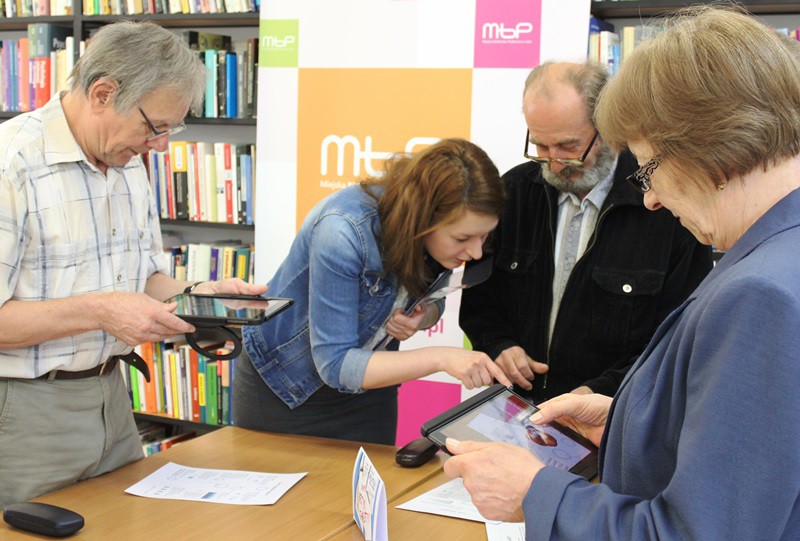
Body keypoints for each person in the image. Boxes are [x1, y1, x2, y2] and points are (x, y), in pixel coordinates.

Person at [444, 7, 800, 538]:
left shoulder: (761, 295)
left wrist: (536, 494)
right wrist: (630, 422)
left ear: (711, 148)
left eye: (650, 168)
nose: (650, 198)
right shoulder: (778, 255)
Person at [0, 21, 267, 506]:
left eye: (171, 129)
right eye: (154, 126)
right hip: (23, 412)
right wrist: (100, 311)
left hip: (111, 395)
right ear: (102, 94)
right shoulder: (11, 165)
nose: (161, 144)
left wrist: (197, 295)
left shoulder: (127, 163)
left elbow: (143, 278)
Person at [459, 61, 712, 402]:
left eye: (568, 147)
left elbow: (678, 336)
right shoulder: (513, 193)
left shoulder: (665, 206)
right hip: (516, 406)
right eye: (541, 146)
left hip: (613, 412)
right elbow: (479, 300)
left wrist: (600, 393)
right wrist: (499, 345)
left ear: (608, 127)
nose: (555, 163)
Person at [233, 138, 512, 445]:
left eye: (484, 236)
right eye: (462, 239)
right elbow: (336, 365)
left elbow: (436, 301)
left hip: (369, 388)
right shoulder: (343, 230)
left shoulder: (441, 231)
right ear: (423, 219)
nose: (475, 252)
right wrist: (443, 358)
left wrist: (423, 316)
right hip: (285, 388)